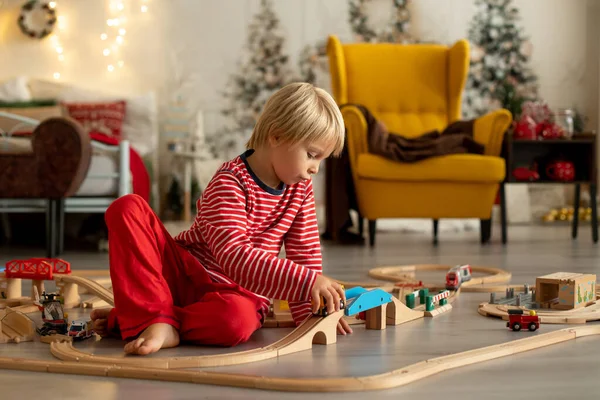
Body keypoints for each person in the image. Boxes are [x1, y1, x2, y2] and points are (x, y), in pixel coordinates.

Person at [91, 82, 352, 356]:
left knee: (234, 322)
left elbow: (305, 255)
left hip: (238, 295)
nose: (315, 169)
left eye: (321, 159)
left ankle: (150, 317)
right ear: (276, 136)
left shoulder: (300, 189)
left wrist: (313, 316)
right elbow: (234, 256)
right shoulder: (230, 182)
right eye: (311, 155)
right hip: (186, 275)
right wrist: (307, 282)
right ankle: (154, 316)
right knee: (127, 207)